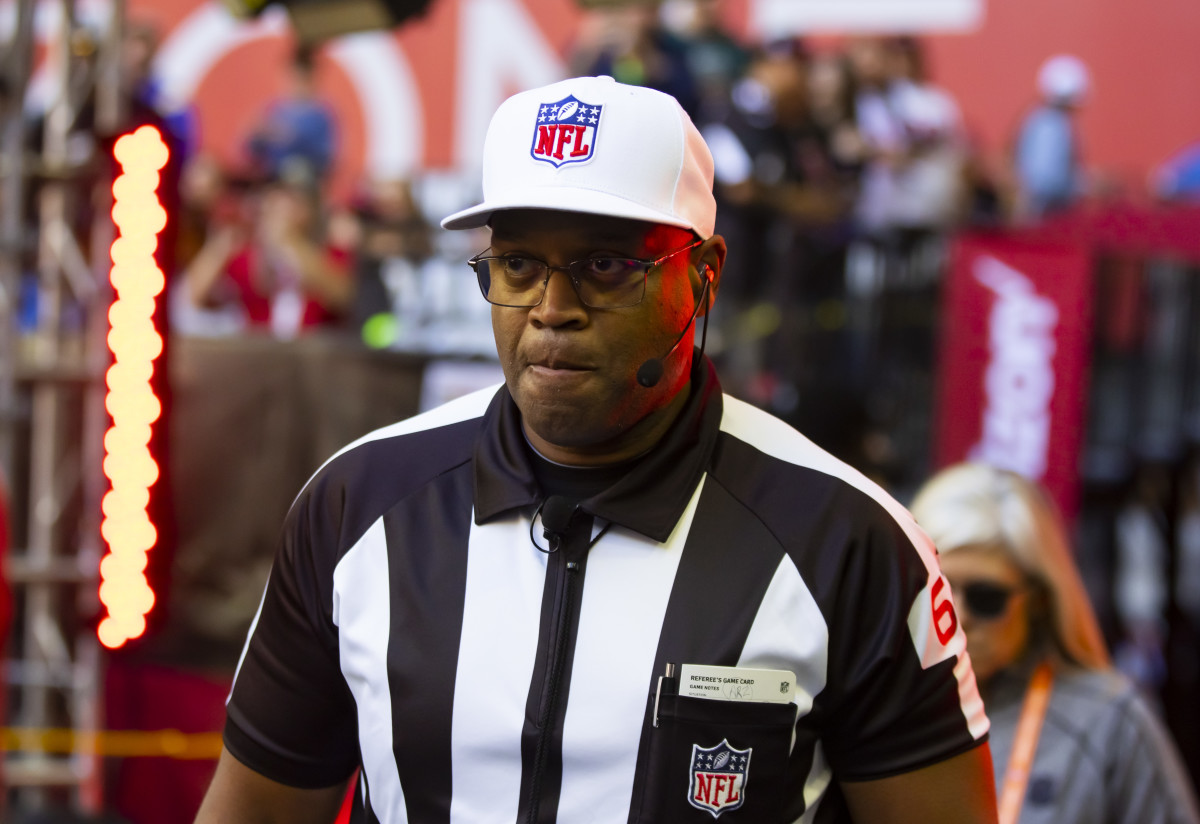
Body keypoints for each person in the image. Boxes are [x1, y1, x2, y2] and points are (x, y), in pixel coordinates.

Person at [195, 76, 996, 823]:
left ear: (706, 277)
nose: (552, 308)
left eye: (606, 265)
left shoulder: (847, 542)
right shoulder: (358, 505)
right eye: (517, 263)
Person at [910, 463, 1200, 824]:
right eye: (940, 592)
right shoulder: (877, 707)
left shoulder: (1107, 720)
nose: (957, 616)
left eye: (987, 597)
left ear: (1039, 601)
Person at [1012, 55, 1089, 219]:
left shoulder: (1045, 120)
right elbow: (1044, 181)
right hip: (1044, 215)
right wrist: (1083, 186)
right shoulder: (1050, 124)